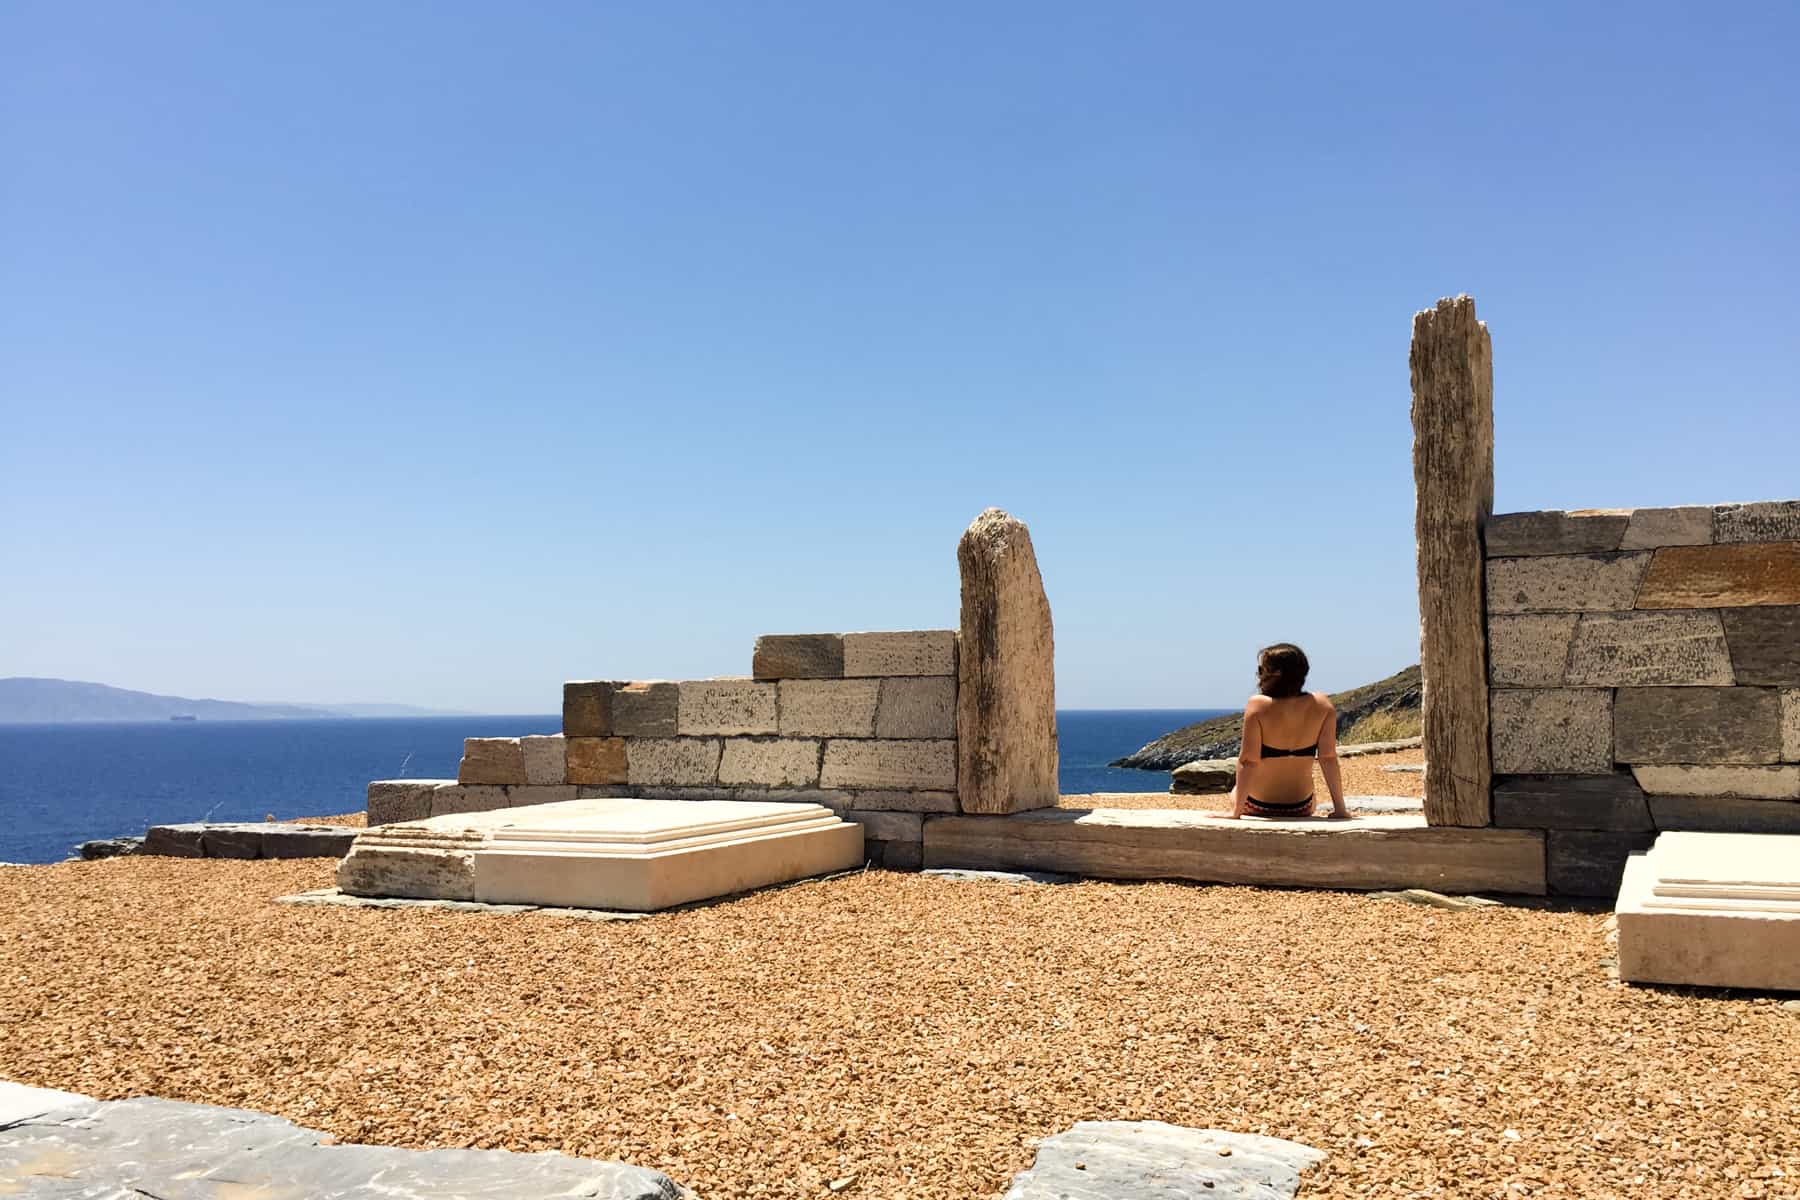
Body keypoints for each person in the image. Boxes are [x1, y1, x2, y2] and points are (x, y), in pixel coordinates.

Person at [1226, 643, 1350, 820]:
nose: (1258, 675)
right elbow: (1328, 758)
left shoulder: (1258, 705)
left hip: (1256, 806)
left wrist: (1236, 812)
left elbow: (1248, 761)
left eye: (1261, 670)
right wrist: (1340, 810)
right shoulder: (1322, 704)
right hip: (1302, 806)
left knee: (1235, 790)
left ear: (1275, 674)